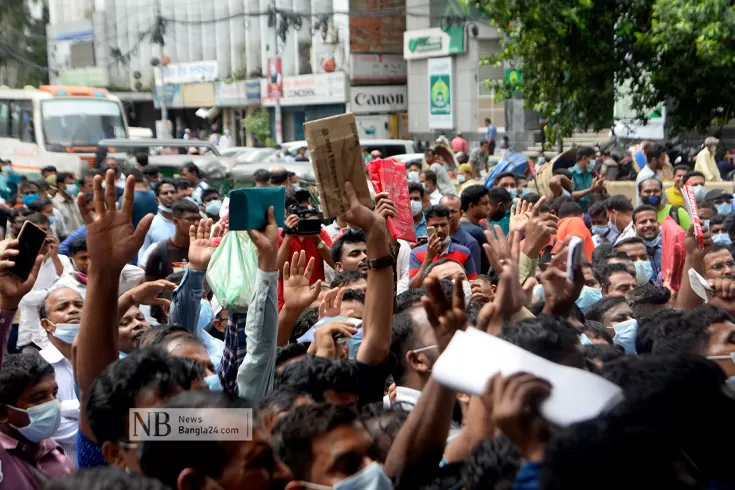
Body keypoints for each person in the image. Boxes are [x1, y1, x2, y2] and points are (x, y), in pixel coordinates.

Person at [408, 205, 477, 288]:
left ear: (449, 224)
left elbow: (473, 283)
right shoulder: (416, 254)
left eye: (443, 225)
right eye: (435, 226)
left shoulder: (464, 252)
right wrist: (428, 258)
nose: (440, 230)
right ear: (426, 227)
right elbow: (413, 288)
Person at [144, 199, 201, 281]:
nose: (196, 223)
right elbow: (148, 288)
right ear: (175, 221)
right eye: (190, 219)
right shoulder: (160, 252)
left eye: (198, 219)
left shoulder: (201, 251)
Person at [138, 178, 177, 266]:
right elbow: (142, 256)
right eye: (165, 193)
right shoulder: (151, 224)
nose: (170, 195)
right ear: (157, 199)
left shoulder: (185, 222)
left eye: (172, 192)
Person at [440, 195, 482, 274]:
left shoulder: (470, 243)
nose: (449, 215)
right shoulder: (431, 239)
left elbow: (472, 278)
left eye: (453, 211)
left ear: (461, 213)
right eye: (445, 211)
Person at [631, 206, 662, 283]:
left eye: (652, 221)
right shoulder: (630, 252)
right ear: (633, 227)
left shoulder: (669, 247)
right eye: (643, 222)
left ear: (658, 224)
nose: (649, 224)